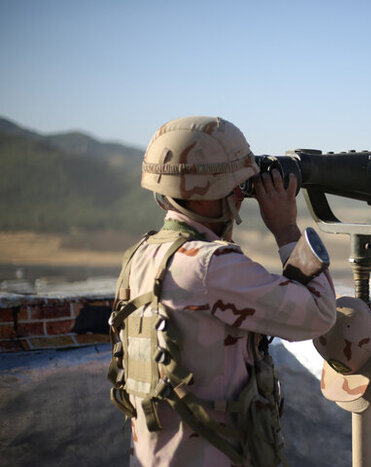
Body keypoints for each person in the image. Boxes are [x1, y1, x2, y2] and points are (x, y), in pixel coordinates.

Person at [107, 116, 337, 466]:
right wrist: (287, 231)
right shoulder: (211, 267)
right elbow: (319, 315)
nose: (240, 196)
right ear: (210, 194)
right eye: (237, 187)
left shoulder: (141, 255)